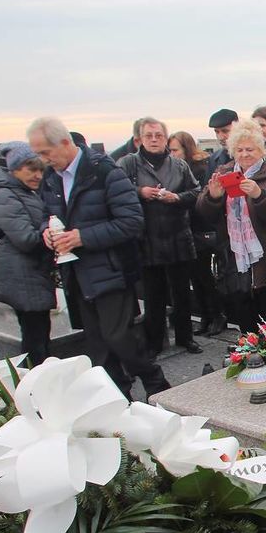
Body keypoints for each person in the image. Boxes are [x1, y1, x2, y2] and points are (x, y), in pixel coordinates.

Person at [28, 116, 170, 399]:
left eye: (46, 152)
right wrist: (46, 230)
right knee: (97, 344)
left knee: (119, 337)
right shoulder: (51, 178)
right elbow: (47, 214)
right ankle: (118, 398)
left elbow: (131, 222)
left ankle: (157, 385)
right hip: (76, 271)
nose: (43, 160)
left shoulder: (104, 172)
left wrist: (83, 237)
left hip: (111, 269)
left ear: (65, 143)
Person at [117, 117, 202, 355]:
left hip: (178, 236)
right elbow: (116, 192)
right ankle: (154, 343)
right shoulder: (127, 164)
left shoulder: (179, 165)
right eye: (149, 136)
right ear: (139, 139)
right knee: (153, 296)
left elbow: (196, 191)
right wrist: (140, 192)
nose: (154, 140)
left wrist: (176, 198)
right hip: (147, 238)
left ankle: (186, 337)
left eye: (158, 135)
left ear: (165, 138)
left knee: (182, 292)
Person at [198, 118, 266, 331]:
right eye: (239, 150)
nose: (245, 154)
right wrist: (213, 196)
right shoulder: (224, 172)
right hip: (235, 259)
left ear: (261, 150)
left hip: (265, 261)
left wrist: (258, 195)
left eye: (250, 149)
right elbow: (204, 213)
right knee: (245, 320)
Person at [0, 142, 54, 365]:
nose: (38, 175)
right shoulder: (3, 195)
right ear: (15, 168)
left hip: (30, 271)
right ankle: (34, 378)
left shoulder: (22, 192)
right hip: (21, 272)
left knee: (39, 330)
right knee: (34, 335)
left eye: (41, 170)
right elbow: (26, 238)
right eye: (31, 169)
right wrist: (51, 233)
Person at [170, 130, 228, 337]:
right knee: (196, 276)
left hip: (202, 228)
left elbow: (202, 199)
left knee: (206, 277)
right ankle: (205, 316)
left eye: (175, 149)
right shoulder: (175, 170)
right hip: (188, 229)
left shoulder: (200, 167)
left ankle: (217, 315)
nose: (172, 154)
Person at [206, 109, 238, 175]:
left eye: (225, 131)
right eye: (217, 132)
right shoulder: (213, 159)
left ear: (238, 128)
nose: (220, 137)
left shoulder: (256, 154)